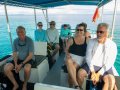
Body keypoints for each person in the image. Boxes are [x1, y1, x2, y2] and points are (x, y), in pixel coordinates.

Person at [77, 23, 118, 90]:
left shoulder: (112, 45)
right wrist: (93, 72)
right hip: (92, 65)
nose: (98, 34)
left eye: (101, 32)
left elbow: (109, 62)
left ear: (107, 33)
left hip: (105, 66)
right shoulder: (91, 42)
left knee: (110, 81)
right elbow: (88, 57)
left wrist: (98, 74)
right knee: (80, 73)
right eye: (97, 31)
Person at [4, 26, 34, 90]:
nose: (20, 33)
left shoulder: (30, 40)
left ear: (25, 32)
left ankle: (25, 84)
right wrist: (15, 64)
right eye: (18, 32)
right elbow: (14, 53)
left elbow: (31, 55)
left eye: (22, 31)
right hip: (19, 58)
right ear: (16, 33)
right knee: (6, 68)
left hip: (28, 58)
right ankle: (15, 84)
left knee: (27, 69)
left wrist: (21, 64)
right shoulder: (15, 41)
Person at [65, 23, 89, 89]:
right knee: (69, 60)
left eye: (81, 30)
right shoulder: (71, 39)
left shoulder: (87, 40)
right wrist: (67, 54)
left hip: (81, 58)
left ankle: (71, 86)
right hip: (71, 56)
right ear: (76, 30)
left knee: (71, 72)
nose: (79, 31)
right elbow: (66, 49)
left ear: (84, 31)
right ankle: (76, 85)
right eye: (77, 30)